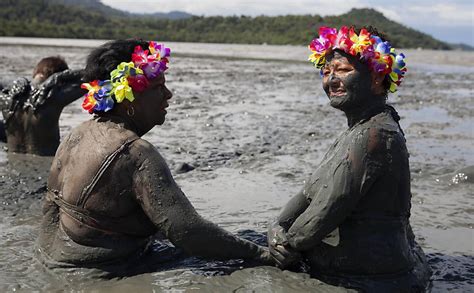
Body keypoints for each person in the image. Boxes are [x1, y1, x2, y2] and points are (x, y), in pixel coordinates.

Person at [36, 39, 271, 278]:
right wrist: (261, 254)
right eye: (159, 87)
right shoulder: (135, 153)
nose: (168, 95)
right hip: (102, 275)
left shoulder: (76, 134)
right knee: (251, 246)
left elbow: (50, 212)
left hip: (53, 266)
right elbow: (188, 231)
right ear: (128, 98)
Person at [267, 26, 431, 292]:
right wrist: (275, 228)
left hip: (373, 282)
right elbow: (307, 194)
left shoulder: (375, 135)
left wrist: (283, 246)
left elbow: (318, 219)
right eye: (326, 71)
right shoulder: (355, 133)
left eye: (343, 70)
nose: (331, 80)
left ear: (378, 78)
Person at [0, 56, 85, 155]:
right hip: (47, 162)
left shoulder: (8, 99)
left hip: (12, 164)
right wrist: (66, 76)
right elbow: (93, 77)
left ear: (36, 71)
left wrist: (14, 82)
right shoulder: (53, 98)